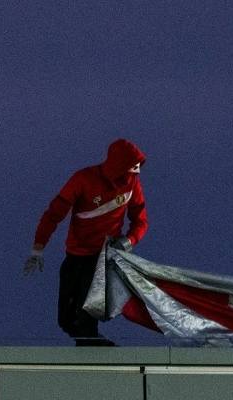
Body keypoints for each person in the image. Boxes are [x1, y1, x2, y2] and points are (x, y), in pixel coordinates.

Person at [23, 138, 148, 346]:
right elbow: (54, 213)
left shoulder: (134, 184)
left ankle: (96, 355)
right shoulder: (83, 179)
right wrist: (38, 249)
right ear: (118, 165)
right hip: (75, 255)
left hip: (102, 258)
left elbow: (141, 220)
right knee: (65, 320)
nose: (137, 172)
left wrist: (128, 241)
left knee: (85, 319)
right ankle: (92, 342)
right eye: (132, 167)